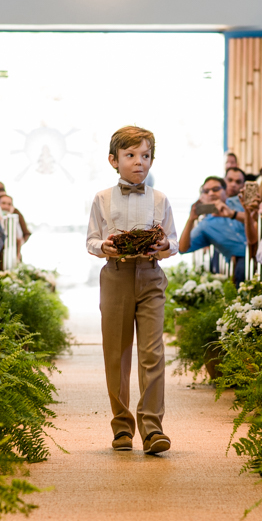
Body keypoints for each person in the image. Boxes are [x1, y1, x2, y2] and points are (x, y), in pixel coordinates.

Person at [86, 125, 178, 455]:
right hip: (116, 276)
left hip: (151, 276)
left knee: (153, 353)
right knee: (117, 353)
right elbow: (91, 240)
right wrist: (104, 246)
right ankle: (122, 426)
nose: (139, 162)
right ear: (114, 160)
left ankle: (152, 428)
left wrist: (165, 245)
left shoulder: (160, 198)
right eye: (130, 155)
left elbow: (173, 241)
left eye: (145, 155)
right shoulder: (102, 198)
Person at [178, 176, 247, 285]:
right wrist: (191, 219)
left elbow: (257, 218)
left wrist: (232, 214)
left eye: (215, 189)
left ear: (225, 191)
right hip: (240, 263)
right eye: (206, 191)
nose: (211, 193)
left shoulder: (240, 201)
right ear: (202, 197)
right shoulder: (205, 225)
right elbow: (182, 248)